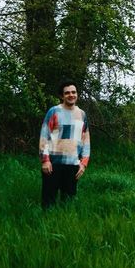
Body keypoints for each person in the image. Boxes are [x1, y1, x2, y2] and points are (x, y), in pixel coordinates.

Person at [39, 80, 90, 209]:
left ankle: (64, 225)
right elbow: (44, 136)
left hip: (73, 164)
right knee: (48, 203)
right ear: (62, 96)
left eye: (73, 92)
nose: (71, 95)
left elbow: (86, 141)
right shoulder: (54, 111)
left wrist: (83, 163)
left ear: (77, 94)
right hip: (53, 164)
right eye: (67, 93)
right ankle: (46, 225)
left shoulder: (82, 114)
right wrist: (45, 160)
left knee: (68, 203)